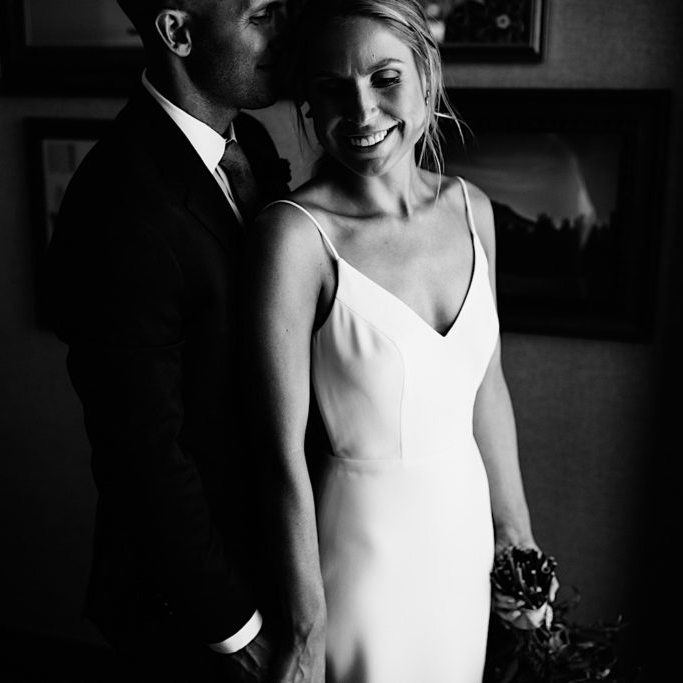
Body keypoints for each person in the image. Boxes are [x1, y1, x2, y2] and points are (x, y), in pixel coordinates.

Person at [248, 0, 542, 680]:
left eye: (385, 78)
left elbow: (487, 386)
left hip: (462, 543)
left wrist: (517, 537)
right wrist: (306, 624)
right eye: (332, 90)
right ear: (308, 106)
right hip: (363, 557)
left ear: (426, 77)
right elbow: (277, 452)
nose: (361, 113)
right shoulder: (294, 238)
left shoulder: (473, 210)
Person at [45, 1, 292, 680]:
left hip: (274, 556)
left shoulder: (255, 150)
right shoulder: (118, 202)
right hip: (190, 606)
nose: (285, 29)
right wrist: (233, 627)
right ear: (178, 32)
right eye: (262, 13)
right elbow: (142, 450)